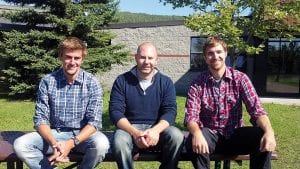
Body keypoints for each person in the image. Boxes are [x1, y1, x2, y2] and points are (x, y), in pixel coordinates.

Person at [13, 37, 110, 169]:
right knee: (21, 144)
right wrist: (54, 143)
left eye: (77, 58)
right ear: (61, 57)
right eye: (68, 57)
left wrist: (70, 143)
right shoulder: (48, 81)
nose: (72, 62)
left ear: (82, 59)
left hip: (83, 136)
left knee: (102, 144)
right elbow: (40, 119)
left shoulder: (92, 83)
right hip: (54, 134)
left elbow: (94, 122)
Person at [184, 36, 276, 169]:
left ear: (225, 53)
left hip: (235, 135)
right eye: (210, 53)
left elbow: (257, 110)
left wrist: (269, 131)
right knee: (195, 138)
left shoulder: (240, 79)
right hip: (210, 137)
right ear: (205, 57)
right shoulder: (198, 83)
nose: (215, 56)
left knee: (261, 135)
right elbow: (191, 116)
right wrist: (197, 134)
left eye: (219, 52)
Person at [109, 42, 184, 169]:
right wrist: (135, 133)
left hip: (157, 130)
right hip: (129, 129)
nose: (146, 62)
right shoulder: (122, 81)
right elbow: (115, 112)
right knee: (119, 140)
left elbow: (170, 111)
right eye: (142, 57)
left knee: (176, 136)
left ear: (156, 60)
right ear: (136, 57)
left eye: (150, 58)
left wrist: (155, 131)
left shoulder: (165, 82)